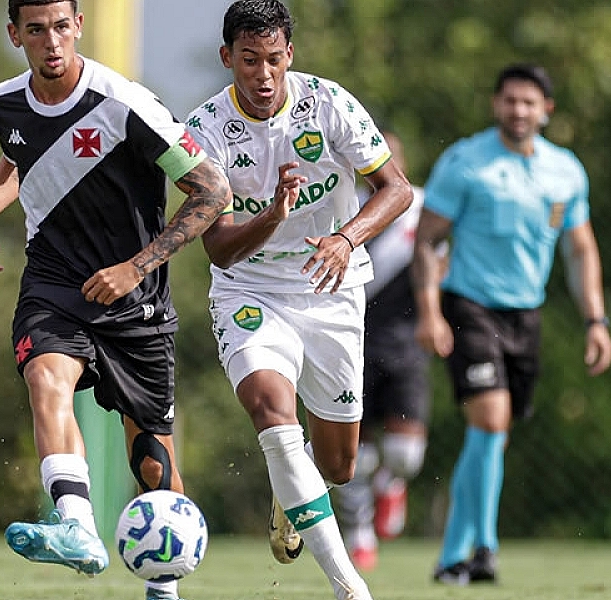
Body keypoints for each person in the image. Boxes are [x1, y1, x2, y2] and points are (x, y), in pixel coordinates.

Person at [0, 2, 232, 600]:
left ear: (78, 25)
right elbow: (20, 154)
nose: (51, 42)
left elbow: (214, 190)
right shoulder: (2, 103)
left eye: (61, 27)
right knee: (45, 379)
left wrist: (134, 267)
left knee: (153, 463)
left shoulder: (126, 104)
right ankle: (78, 529)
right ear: (15, 35)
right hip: (54, 282)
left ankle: (164, 588)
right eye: (36, 30)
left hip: (135, 298)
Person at [185, 2, 413, 598]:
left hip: (331, 288)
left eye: (274, 59)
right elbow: (220, 251)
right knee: (271, 411)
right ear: (227, 57)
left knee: (338, 467)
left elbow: (396, 190)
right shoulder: (202, 129)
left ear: (291, 55)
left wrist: (345, 237)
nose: (263, 75)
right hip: (251, 289)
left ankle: (294, 496)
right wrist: (273, 215)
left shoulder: (329, 103)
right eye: (249, 60)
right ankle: (349, 586)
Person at [412, 63, 611, 585]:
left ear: (546, 111)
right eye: (509, 101)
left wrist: (596, 320)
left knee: (492, 437)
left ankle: (452, 557)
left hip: (526, 313)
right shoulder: (466, 162)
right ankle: (485, 548)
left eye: (528, 102)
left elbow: (581, 249)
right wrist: (431, 310)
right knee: (490, 421)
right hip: (469, 304)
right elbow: (427, 241)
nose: (518, 111)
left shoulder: (565, 171)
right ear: (495, 105)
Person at [331, 131, 438, 572]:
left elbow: (442, 260)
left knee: (404, 455)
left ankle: (392, 484)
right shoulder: (343, 205)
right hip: (349, 338)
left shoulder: (423, 207)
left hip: (406, 340)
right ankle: (359, 532)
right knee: (353, 448)